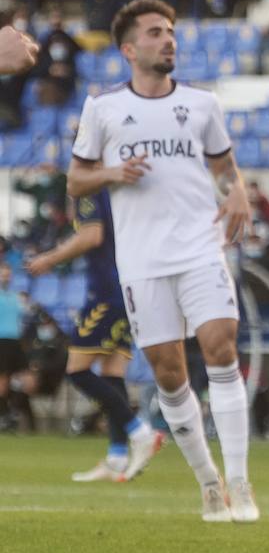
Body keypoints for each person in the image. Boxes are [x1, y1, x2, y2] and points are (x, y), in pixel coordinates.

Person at [68, 0, 258, 523]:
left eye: (171, 30)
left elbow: (224, 165)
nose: (168, 39)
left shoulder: (202, 104)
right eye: (155, 32)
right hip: (142, 262)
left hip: (200, 248)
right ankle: (209, 484)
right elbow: (76, 179)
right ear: (129, 49)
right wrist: (111, 173)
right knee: (169, 374)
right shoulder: (103, 109)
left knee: (221, 348)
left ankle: (240, 483)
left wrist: (236, 190)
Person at [25, 190, 164, 482]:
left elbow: (91, 236)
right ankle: (117, 457)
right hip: (127, 289)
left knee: (77, 371)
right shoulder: (118, 193)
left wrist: (50, 258)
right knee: (113, 374)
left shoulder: (90, 191)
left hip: (104, 294)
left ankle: (140, 433)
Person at [0, 264, 24, 430]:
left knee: (17, 379)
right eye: (3, 275)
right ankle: (3, 414)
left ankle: (10, 412)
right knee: (2, 380)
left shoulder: (15, 297)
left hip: (15, 341)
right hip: (1, 340)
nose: (6, 278)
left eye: (8, 275)